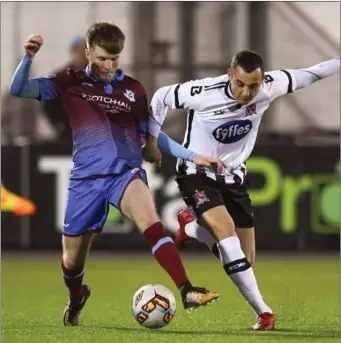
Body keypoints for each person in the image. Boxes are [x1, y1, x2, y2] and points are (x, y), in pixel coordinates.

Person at [9, 22, 225, 326]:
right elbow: (18, 89)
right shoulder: (68, 82)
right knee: (72, 262)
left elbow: (153, 135)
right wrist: (29, 57)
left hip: (124, 172)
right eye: (101, 59)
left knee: (151, 221)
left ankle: (186, 288)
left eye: (114, 59)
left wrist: (191, 155)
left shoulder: (134, 90)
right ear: (87, 54)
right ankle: (76, 297)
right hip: (86, 180)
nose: (109, 66)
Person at [146, 50, 341, 330]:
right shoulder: (203, 92)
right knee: (227, 237)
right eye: (241, 84)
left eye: (254, 86)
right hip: (196, 174)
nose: (247, 92)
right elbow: (161, 96)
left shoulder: (270, 86)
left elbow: (312, 72)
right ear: (230, 75)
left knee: (244, 261)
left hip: (234, 178)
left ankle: (190, 228)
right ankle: (264, 313)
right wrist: (152, 140)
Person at [42, 36, 88, 144]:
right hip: (68, 136)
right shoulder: (60, 78)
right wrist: (59, 125)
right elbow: (48, 103)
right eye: (80, 51)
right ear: (74, 52)